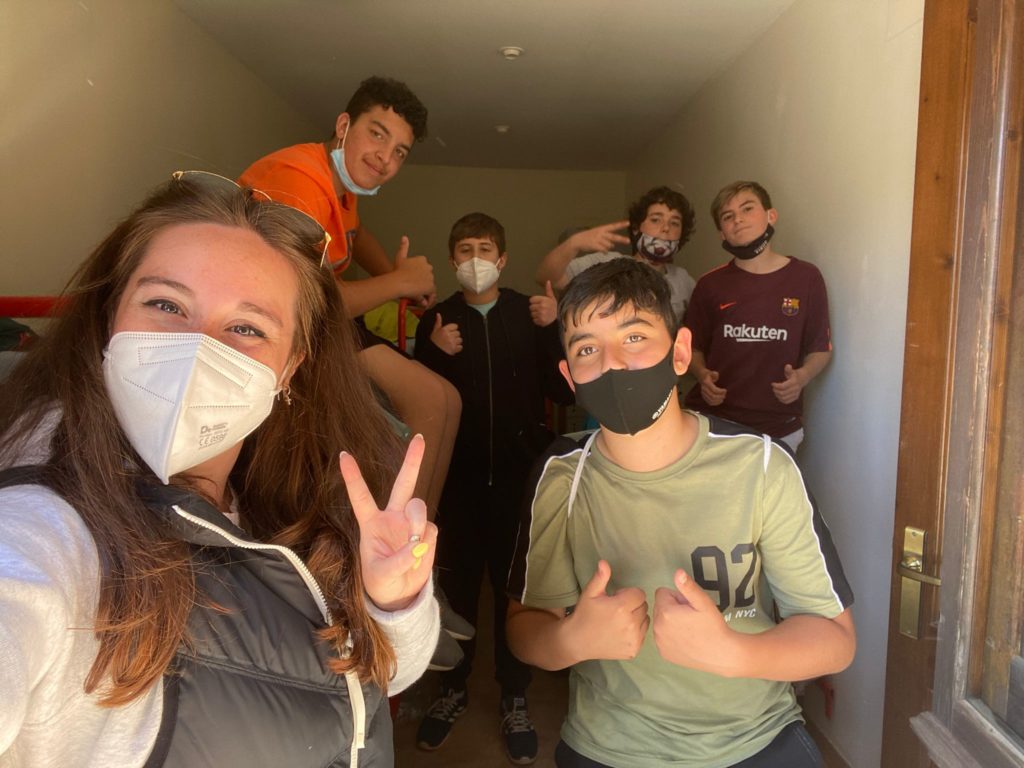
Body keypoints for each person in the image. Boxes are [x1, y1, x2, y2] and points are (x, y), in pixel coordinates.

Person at [0, 174, 440, 767]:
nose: (196, 348)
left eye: (247, 328)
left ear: (289, 369)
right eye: (166, 304)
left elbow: (383, 674)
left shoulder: (302, 492)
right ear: (108, 319)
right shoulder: (38, 527)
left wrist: (393, 601)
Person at [506, 259, 855, 768]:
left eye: (634, 337)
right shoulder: (561, 475)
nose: (612, 364)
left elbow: (834, 638)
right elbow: (523, 627)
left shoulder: (762, 466)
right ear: (569, 376)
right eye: (586, 349)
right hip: (609, 746)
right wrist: (568, 640)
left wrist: (734, 653)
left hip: (755, 738)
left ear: (681, 352)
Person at [239, 75, 460, 517]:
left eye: (400, 151)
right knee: (430, 400)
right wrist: (400, 283)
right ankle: (399, 537)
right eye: (377, 134)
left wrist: (395, 274)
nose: (385, 158)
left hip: (322, 323)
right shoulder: (300, 180)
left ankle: (420, 533)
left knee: (447, 399)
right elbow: (310, 301)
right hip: (290, 324)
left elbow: (355, 236)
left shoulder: (340, 186)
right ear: (344, 125)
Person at [413, 213, 573, 764]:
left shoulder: (530, 312)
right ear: (452, 259)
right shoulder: (437, 318)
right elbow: (419, 397)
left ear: (502, 259)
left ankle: (515, 696)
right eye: (465, 249)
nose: (475, 258)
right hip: (457, 480)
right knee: (457, 589)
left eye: (485, 248)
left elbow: (561, 391)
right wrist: (433, 352)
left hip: (518, 479)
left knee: (514, 589)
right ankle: (451, 689)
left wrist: (553, 329)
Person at [684, 181, 832, 453]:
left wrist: (802, 377)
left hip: (778, 426)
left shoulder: (806, 277)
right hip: (714, 423)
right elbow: (692, 348)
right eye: (728, 216)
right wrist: (702, 375)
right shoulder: (709, 285)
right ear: (721, 233)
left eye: (747, 209)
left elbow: (820, 348)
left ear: (770, 215)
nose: (738, 219)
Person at [535, 186, 697, 319]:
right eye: (655, 220)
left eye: (674, 223)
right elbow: (546, 278)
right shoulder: (607, 264)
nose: (666, 228)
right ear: (636, 228)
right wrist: (574, 243)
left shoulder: (684, 281)